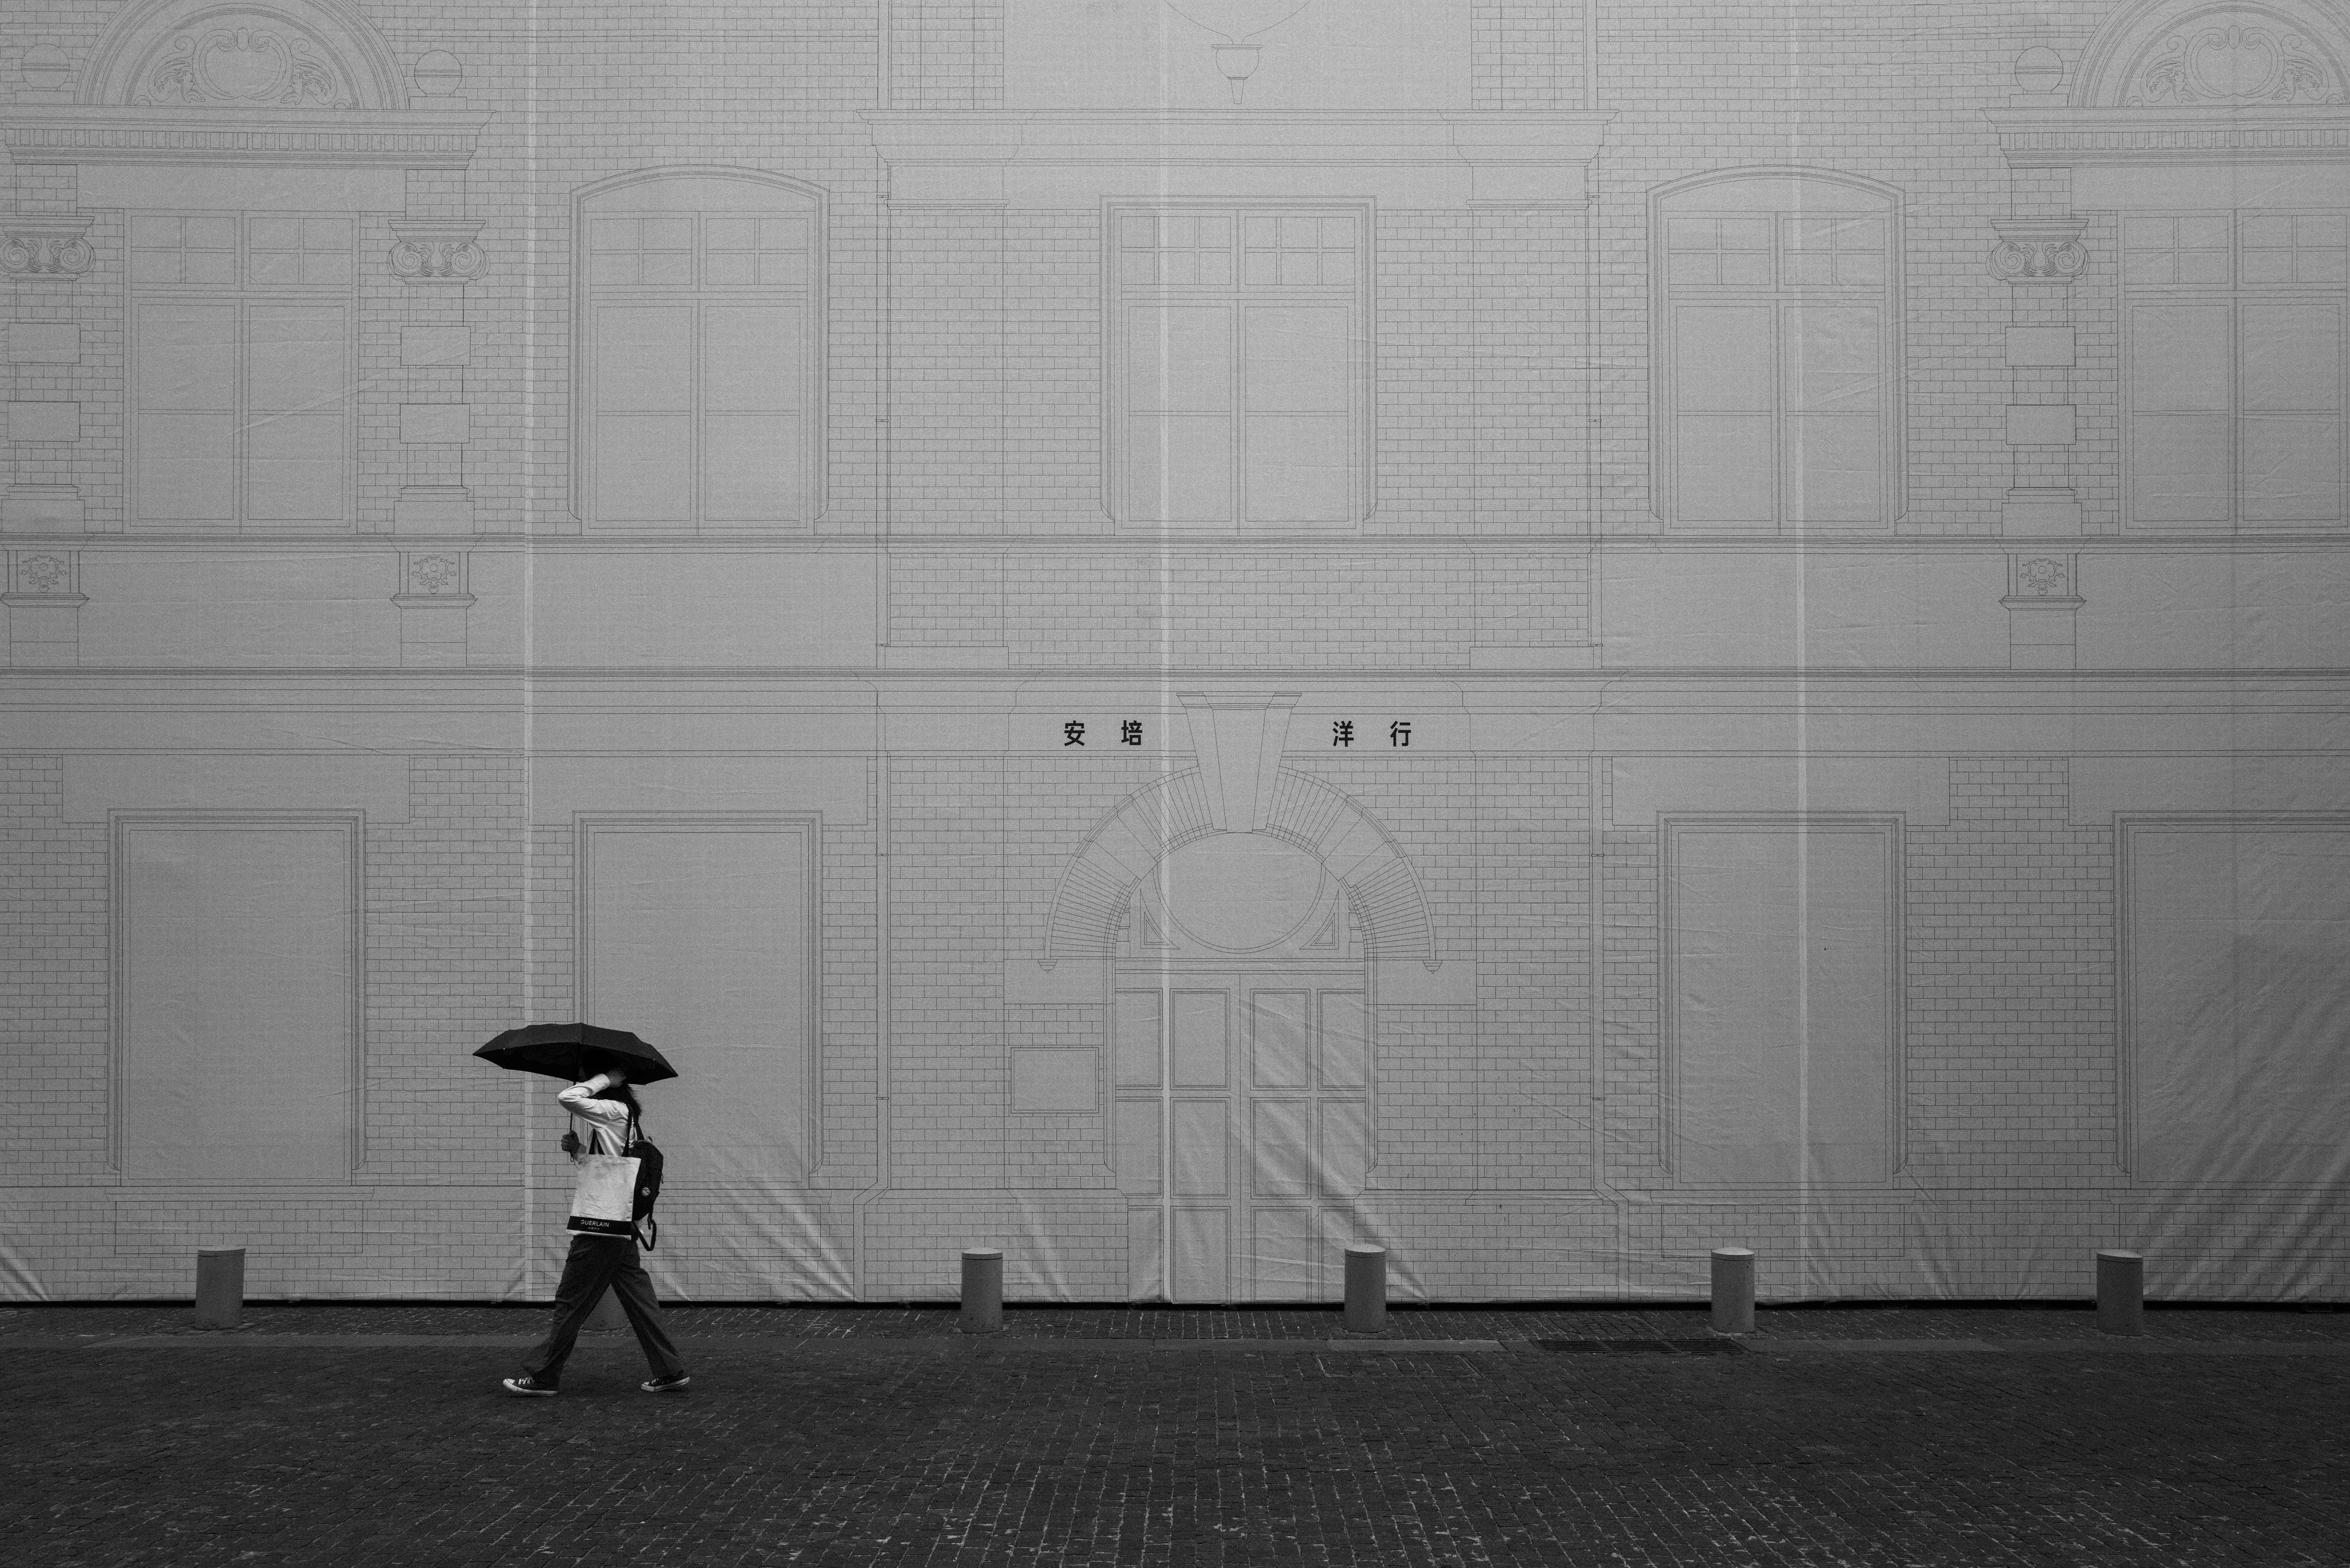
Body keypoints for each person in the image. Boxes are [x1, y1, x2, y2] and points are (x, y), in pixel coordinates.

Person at [502, 1069, 690, 1396]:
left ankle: (544, 1376)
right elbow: (608, 1169)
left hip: (600, 1227)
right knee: (639, 1302)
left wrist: (606, 1078)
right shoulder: (620, 1122)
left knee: (571, 1300)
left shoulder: (614, 1111)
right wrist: (578, 1152)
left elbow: (568, 1098)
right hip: (621, 1224)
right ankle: (670, 1370)